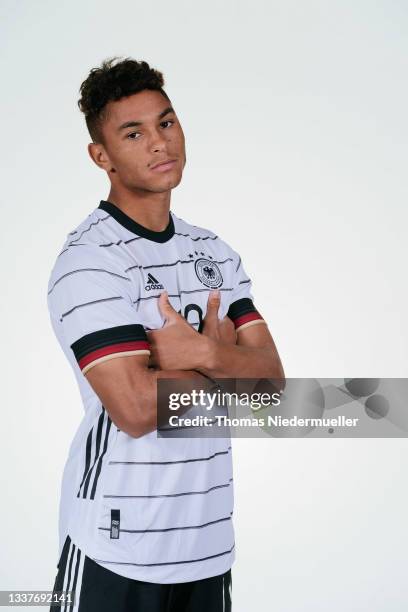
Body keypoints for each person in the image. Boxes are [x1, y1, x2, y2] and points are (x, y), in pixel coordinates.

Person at [47, 57, 285, 612]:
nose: (159, 143)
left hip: (208, 545)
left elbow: (273, 388)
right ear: (100, 156)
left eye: (166, 122)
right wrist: (227, 362)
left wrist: (197, 351)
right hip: (116, 545)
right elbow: (133, 407)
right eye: (133, 133)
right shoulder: (90, 262)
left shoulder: (215, 254)